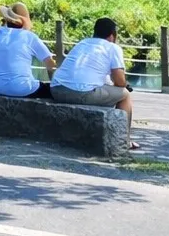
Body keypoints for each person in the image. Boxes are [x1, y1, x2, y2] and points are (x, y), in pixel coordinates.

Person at [50, 16, 138, 150]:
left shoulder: (82, 43)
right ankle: (124, 140)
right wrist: (124, 84)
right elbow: (120, 81)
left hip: (57, 90)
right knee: (124, 95)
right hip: (81, 93)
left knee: (104, 90)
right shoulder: (112, 48)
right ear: (112, 35)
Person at [0, 2, 57, 98]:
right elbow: (50, 64)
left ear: (7, 19)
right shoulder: (29, 37)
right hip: (21, 89)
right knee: (52, 90)